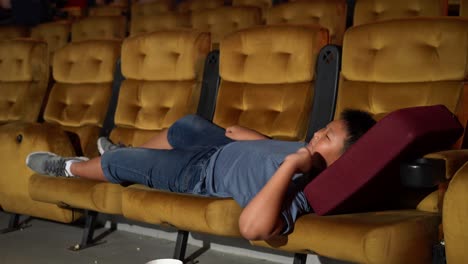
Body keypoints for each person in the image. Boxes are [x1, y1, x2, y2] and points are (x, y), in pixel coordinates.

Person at [26, 110, 376, 241]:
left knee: (122, 164)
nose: (316, 135)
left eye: (327, 137)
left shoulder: (301, 186)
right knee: (187, 124)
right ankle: (120, 151)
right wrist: (258, 140)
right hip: (218, 147)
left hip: (200, 173)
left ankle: (70, 167)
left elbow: (253, 228)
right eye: (322, 129)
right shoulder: (307, 151)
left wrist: (287, 166)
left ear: (344, 161)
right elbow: (269, 149)